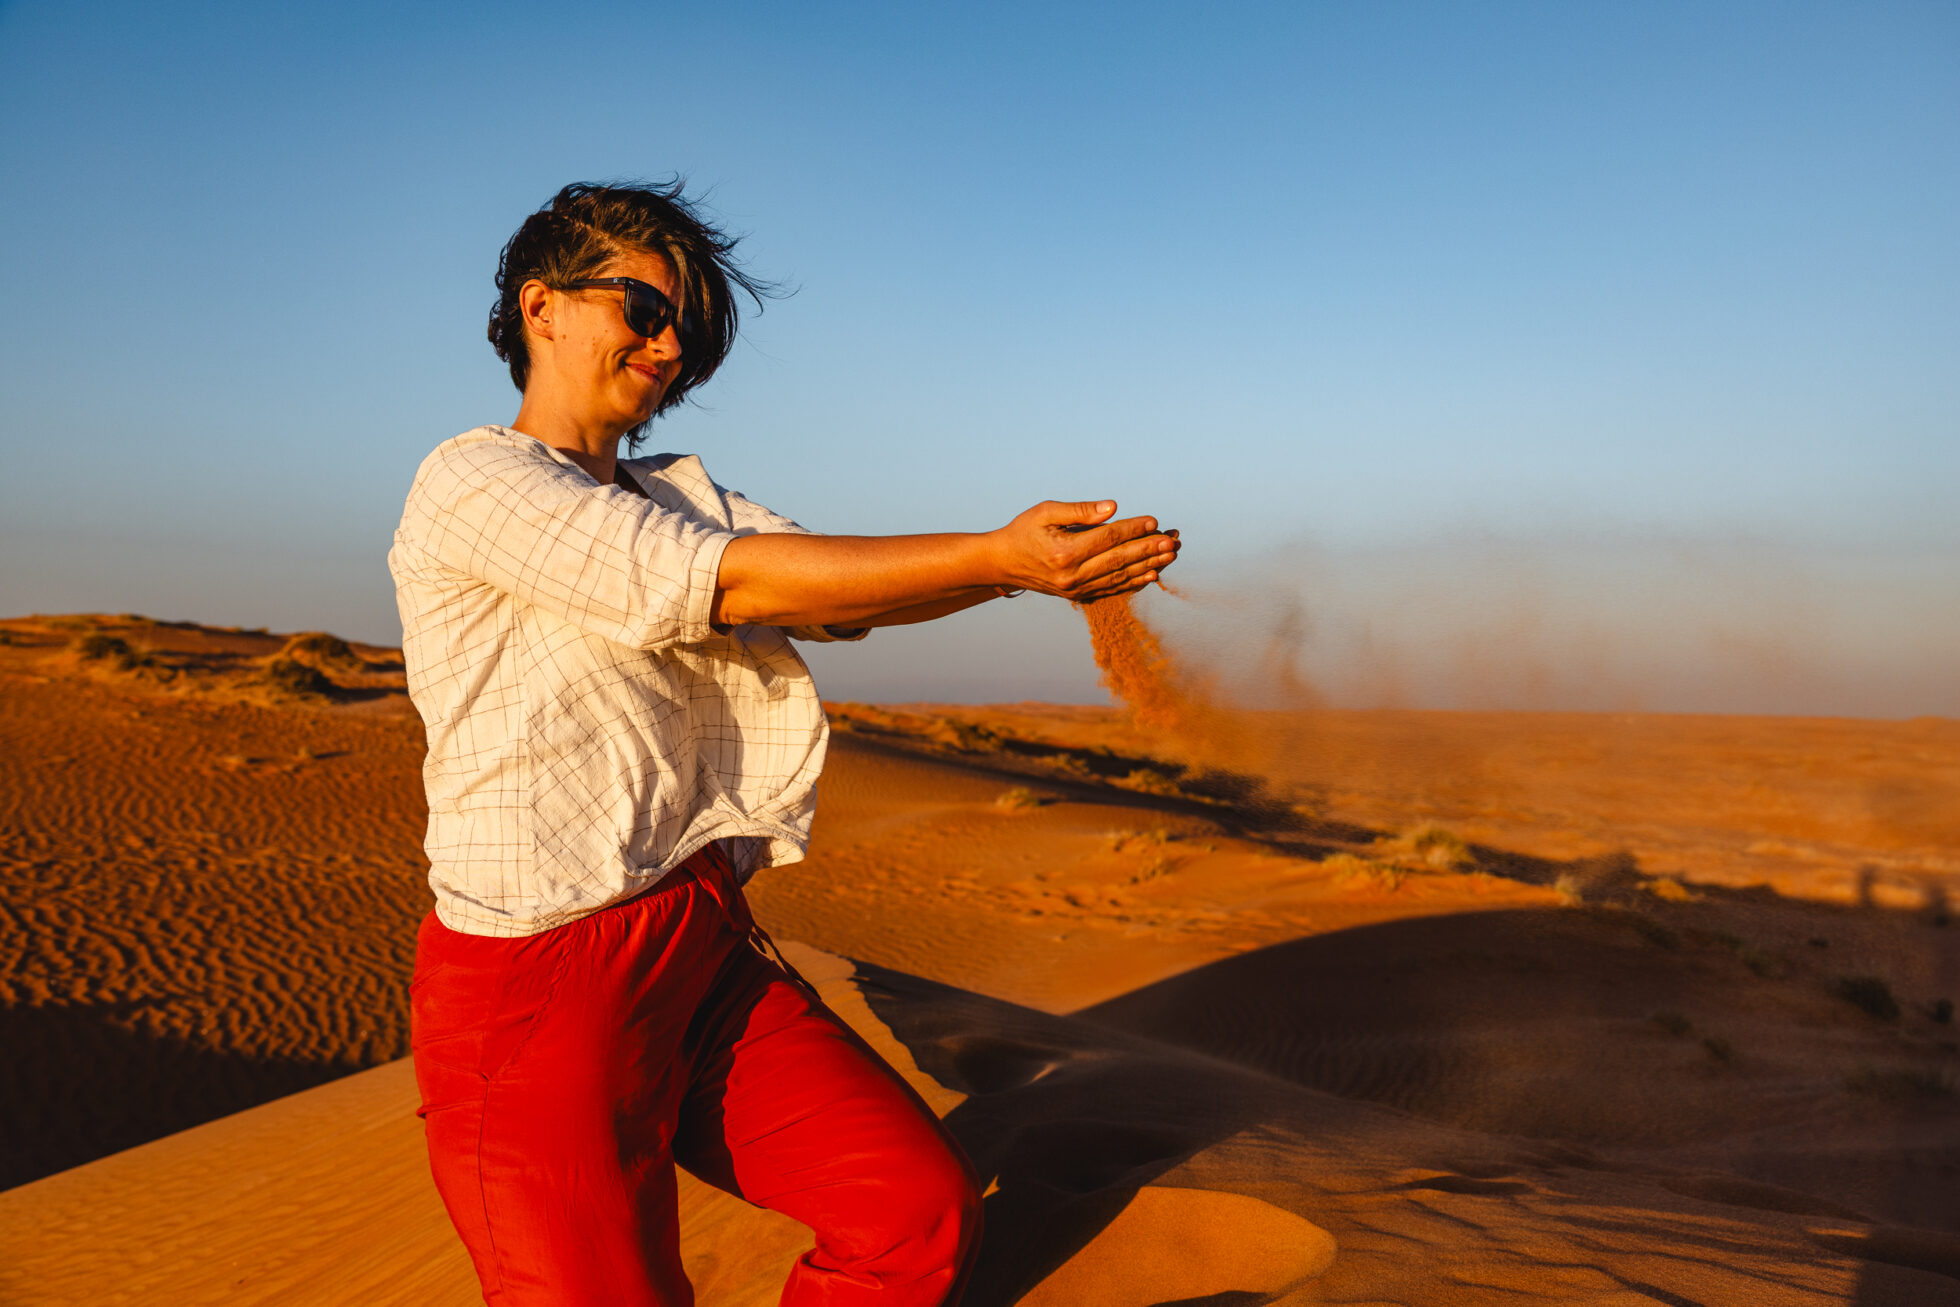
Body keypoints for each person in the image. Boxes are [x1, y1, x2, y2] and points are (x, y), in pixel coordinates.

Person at [389, 180, 1180, 1307]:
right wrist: (999, 559)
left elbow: (835, 600)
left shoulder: (682, 492)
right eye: (642, 307)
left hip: (698, 945)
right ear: (542, 305)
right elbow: (726, 583)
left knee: (909, 1214)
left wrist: (1025, 575)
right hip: (535, 985)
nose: (669, 345)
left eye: (690, 330)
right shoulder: (476, 480)